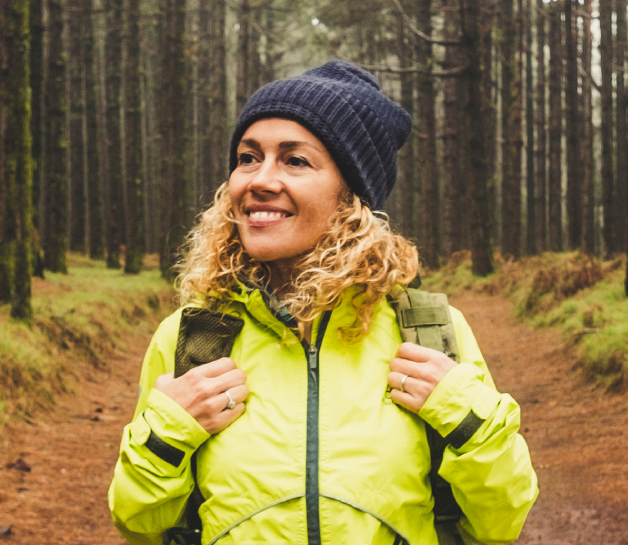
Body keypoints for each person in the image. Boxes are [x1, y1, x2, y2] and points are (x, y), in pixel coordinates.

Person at [107, 61, 538, 545]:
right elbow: (140, 525)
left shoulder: (431, 330)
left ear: (350, 195)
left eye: (295, 160)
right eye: (249, 157)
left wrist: (467, 415)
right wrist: (167, 432)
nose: (259, 180)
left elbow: (501, 525)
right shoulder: (195, 336)